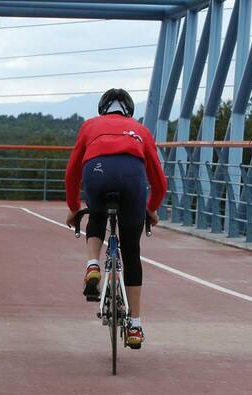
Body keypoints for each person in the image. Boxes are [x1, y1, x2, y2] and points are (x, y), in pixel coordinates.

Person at [64, 88, 168, 349]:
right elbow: (159, 181)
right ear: (129, 111)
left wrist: (74, 207)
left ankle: (92, 265)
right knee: (131, 250)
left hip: (97, 172)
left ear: (102, 109)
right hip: (132, 177)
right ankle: (135, 325)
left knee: (96, 213)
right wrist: (152, 208)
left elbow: (72, 171)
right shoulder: (140, 130)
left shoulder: (90, 126)